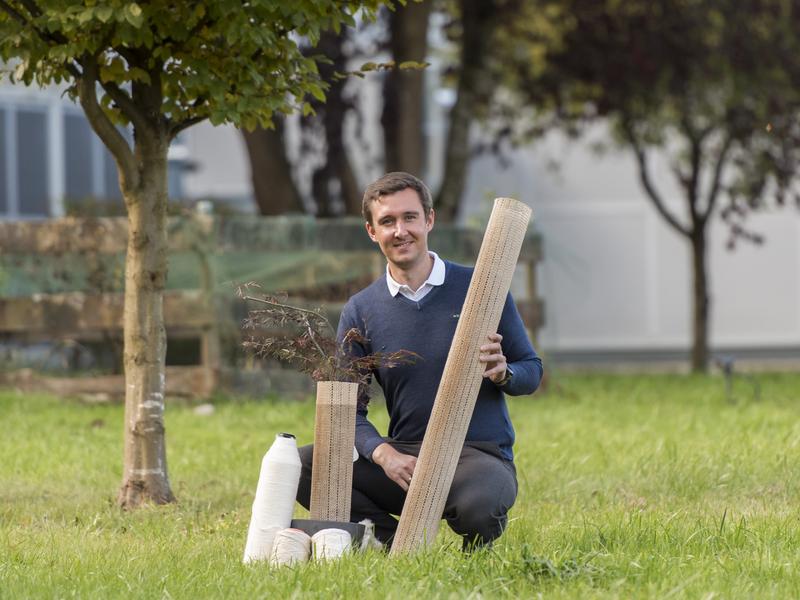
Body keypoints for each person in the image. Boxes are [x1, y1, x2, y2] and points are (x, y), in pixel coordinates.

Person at [296, 172, 543, 550]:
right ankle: (392, 543)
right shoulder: (361, 310)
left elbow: (532, 370)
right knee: (303, 465)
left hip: (475, 455)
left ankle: (475, 544)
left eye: (410, 217)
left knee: (480, 506)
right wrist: (384, 454)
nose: (400, 231)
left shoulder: (481, 288)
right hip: (406, 458)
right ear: (371, 231)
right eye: (387, 222)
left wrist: (503, 372)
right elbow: (345, 412)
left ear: (429, 219)